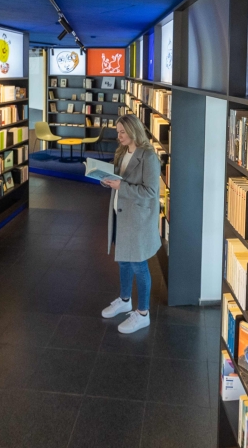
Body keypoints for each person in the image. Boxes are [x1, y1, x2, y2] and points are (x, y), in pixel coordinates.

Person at [100, 114, 161, 334]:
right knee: (123, 261)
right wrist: (106, 179)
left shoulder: (148, 157)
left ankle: (143, 313)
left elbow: (151, 192)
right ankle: (125, 300)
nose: (119, 136)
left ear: (134, 131)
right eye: (118, 132)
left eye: (122, 132)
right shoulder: (122, 152)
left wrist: (121, 187)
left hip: (137, 220)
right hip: (120, 215)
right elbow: (118, 179)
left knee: (139, 265)